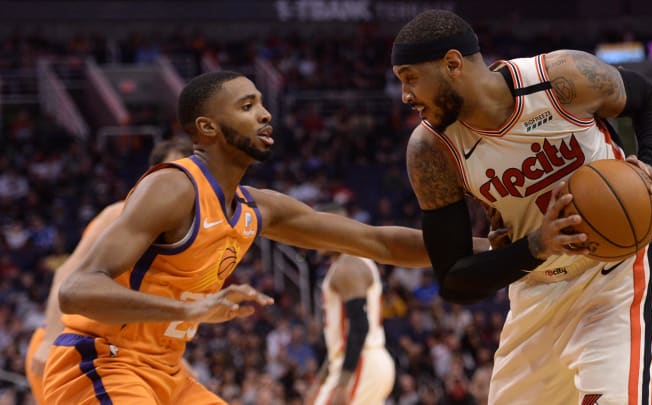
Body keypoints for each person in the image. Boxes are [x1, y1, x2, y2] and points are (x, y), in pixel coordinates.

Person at [42, 71, 490, 405]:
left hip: (165, 371)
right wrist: (188, 308)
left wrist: (493, 248)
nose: (265, 113)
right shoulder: (173, 187)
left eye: (261, 103)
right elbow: (77, 290)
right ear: (208, 128)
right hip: (103, 362)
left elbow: (379, 243)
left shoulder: (257, 207)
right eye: (246, 105)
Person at [391, 10, 652, 405]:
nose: (406, 96)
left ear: (452, 64)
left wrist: (650, 165)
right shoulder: (431, 150)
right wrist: (537, 245)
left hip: (616, 272)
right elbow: (454, 279)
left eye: (410, 78)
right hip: (536, 289)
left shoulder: (561, 79)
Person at [24, 139, 194, 404]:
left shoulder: (187, 235)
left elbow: (151, 312)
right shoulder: (120, 214)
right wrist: (50, 339)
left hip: (133, 357)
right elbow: (67, 274)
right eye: (171, 170)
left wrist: (176, 360)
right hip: (73, 347)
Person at [307, 204, 395, 405]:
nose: (312, 236)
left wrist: (343, 383)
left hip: (361, 363)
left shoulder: (348, 265)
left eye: (317, 229)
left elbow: (359, 326)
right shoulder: (347, 264)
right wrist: (321, 381)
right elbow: (343, 338)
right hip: (359, 362)